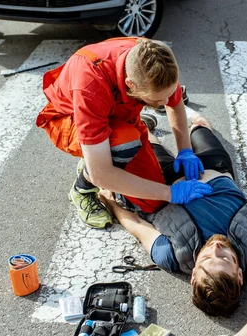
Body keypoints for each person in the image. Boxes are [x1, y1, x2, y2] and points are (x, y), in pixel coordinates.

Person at [99, 114, 247, 336]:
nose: (216, 248)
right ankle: (190, 120)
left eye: (206, 258)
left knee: (142, 137)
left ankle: (147, 126)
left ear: (193, 274)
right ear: (239, 274)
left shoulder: (171, 255)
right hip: (215, 169)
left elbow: (138, 227)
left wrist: (110, 203)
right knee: (200, 126)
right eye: (226, 258)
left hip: (167, 182)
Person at [36, 37, 211, 228]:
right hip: (69, 119)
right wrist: (170, 193)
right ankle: (82, 188)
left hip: (119, 116)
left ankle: (101, 155)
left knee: (152, 203)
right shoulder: (89, 84)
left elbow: (175, 101)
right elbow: (101, 175)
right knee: (123, 145)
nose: (166, 102)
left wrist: (185, 150)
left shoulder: (152, 57)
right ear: (131, 85)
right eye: (158, 100)